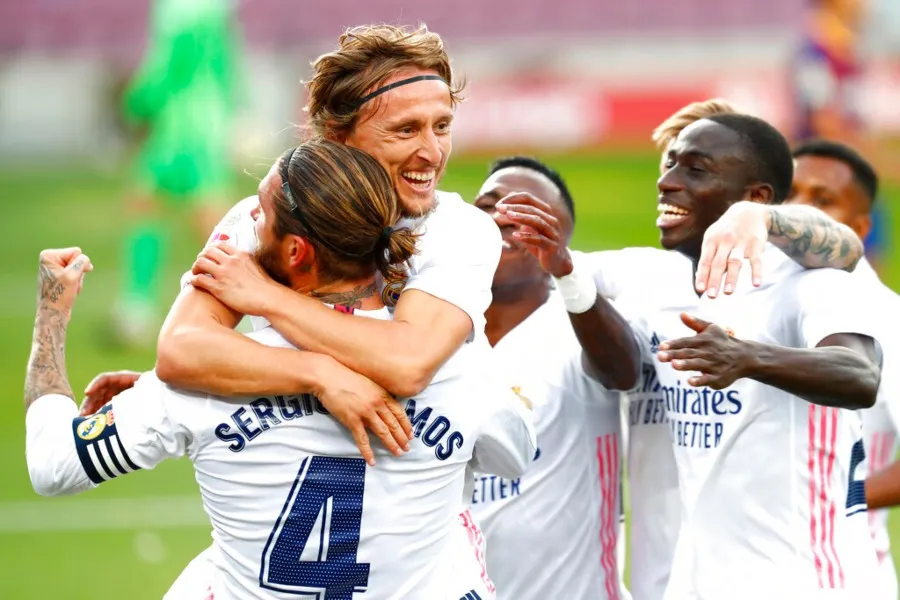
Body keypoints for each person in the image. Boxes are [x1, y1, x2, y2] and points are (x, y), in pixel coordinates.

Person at [24, 140, 536, 600]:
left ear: (296, 251)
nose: (249, 221)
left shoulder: (199, 383)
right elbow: (515, 457)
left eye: (261, 214)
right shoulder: (451, 367)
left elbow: (52, 465)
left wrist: (52, 314)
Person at [575, 97, 870, 600]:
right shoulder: (653, 276)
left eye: (696, 168)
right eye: (669, 163)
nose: (667, 182)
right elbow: (542, 266)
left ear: (755, 196)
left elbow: (860, 374)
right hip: (686, 579)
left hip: (800, 582)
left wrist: (748, 357)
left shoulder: (811, 280)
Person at [469, 156, 637, 600]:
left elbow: (623, 372)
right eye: (487, 206)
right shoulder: (434, 330)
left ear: (561, 240)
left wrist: (567, 273)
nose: (502, 217)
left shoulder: (578, 327)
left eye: (526, 211)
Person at [786, 138, 900, 600]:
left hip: (846, 580)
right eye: (789, 193)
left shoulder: (888, 319)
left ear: (861, 226)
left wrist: (832, 499)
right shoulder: (745, 308)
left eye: (823, 200)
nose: (799, 211)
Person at [115, 0, 243, 343]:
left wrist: (138, 100)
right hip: (205, 118)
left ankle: (140, 308)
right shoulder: (215, 8)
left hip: (183, 124)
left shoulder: (182, 8)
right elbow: (226, 62)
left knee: (209, 220)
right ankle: (138, 307)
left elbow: (169, 63)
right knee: (153, 204)